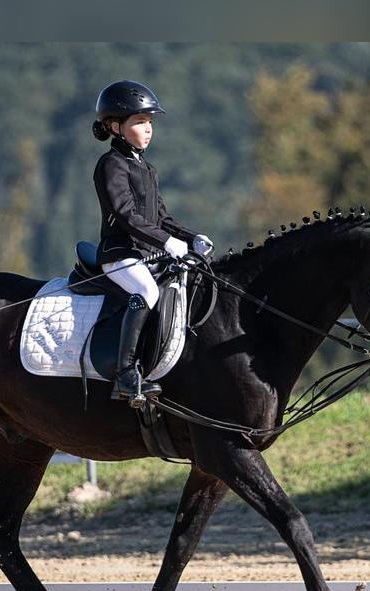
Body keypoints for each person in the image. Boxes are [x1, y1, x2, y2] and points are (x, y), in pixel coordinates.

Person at [91, 80, 213, 406]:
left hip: (147, 254)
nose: (148, 129)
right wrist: (167, 242)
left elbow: (162, 218)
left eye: (150, 122)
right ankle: (127, 374)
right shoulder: (111, 165)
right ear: (116, 127)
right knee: (146, 291)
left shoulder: (147, 168)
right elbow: (125, 214)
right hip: (119, 255)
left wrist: (191, 237)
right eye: (140, 122)